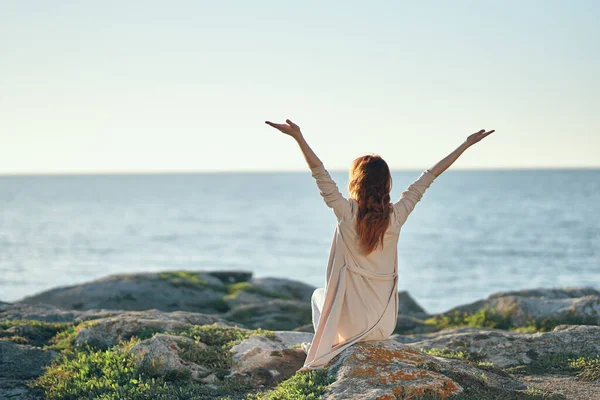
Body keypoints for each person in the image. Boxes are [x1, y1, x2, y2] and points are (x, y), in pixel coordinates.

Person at [264, 119, 494, 372]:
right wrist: (466, 144)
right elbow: (429, 176)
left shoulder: (346, 212)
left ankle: (327, 347)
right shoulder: (397, 216)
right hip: (383, 326)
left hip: (352, 327)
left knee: (319, 295)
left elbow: (320, 174)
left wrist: (299, 138)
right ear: (386, 183)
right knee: (325, 296)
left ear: (357, 181)